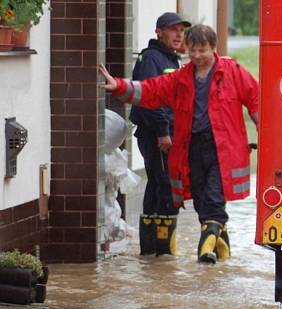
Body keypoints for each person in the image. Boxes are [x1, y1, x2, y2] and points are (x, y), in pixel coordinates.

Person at [100, 24, 259, 263]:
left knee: (214, 196)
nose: (196, 56)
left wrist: (264, 130)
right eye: (192, 50)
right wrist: (120, 86)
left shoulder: (232, 71)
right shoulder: (182, 77)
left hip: (221, 149)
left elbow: (256, 99)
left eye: (202, 50)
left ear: (213, 48)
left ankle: (205, 249)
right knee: (201, 196)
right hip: (192, 148)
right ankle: (221, 242)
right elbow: (153, 90)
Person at [131, 13, 191, 257]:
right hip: (157, 135)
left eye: (181, 30)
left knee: (157, 185)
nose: (179, 35)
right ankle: (164, 252)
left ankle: (151, 251)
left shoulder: (168, 59)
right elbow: (151, 99)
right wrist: (163, 132)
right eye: (173, 30)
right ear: (159, 31)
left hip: (161, 133)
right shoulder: (152, 59)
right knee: (166, 186)